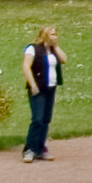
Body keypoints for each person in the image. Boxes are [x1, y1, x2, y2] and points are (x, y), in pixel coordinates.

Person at [20, 26, 64, 162]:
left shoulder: (52, 50)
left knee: (46, 119)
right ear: (45, 35)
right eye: (52, 34)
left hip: (50, 87)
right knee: (37, 119)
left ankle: (40, 148)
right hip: (38, 88)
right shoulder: (33, 49)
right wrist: (32, 84)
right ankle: (29, 149)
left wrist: (56, 47)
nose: (55, 37)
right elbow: (26, 66)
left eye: (56, 34)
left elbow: (64, 59)